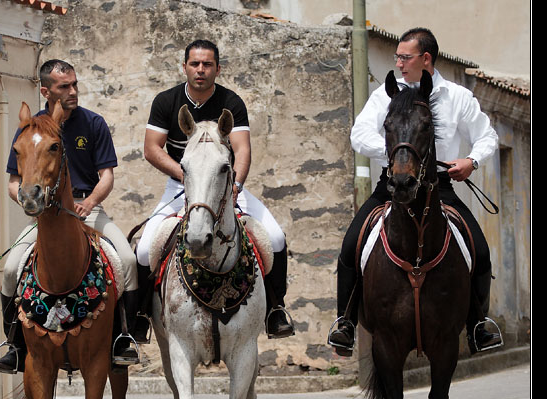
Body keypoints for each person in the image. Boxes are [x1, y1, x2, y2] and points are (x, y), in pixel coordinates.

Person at [328, 27, 502, 356]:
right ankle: (346, 324)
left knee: (479, 250)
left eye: (404, 57)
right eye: (396, 57)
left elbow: (487, 137)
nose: (399, 63)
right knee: (351, 245)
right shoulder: (387, 95)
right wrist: (399, 154)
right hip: (392, 186)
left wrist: (471, 161)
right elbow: (358, 134)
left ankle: (479, 324)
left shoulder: (457, 97)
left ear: (425, 59)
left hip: (439, 188)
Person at [135, 39, 294, 339]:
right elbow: (151, 149)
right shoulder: (165, 102)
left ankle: (276, 309)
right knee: (144, 249)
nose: (200, 70)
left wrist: (237, 185)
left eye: (207, 64)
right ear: (184, 67)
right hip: (180, 185)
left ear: (217, 69)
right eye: (195, 64)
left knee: (274, 237)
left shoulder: (231, 102)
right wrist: (185, 177)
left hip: (225, 185)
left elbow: (242, 151)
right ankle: (141, 317)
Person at [0, 59, 141, 373]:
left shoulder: (93, 123)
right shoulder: (30, 127)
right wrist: (27, 201)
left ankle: (126, 337)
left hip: (89, 208)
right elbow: (14, 182)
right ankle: (14, 345)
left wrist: (90, 203)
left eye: (74, 84)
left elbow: (107, 175)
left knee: (126, 260)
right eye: (64, 87)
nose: (73, 91)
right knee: (9, 270)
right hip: (45, 216)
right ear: (46, 90)